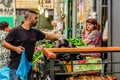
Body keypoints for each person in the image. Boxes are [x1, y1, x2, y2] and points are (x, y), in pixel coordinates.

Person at [2, 10, 61, 80]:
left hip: (28, 66)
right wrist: (15, 48)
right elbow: (4, 43)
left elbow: (47, 36)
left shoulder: (35, 32)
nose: (37, 20)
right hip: (16, 67)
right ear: (29, 18)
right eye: (35, 18)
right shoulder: (16, 30)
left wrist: (58, 38)